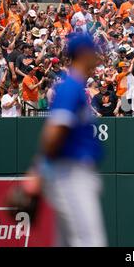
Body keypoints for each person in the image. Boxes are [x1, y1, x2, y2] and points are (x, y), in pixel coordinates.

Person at [34, 33, 107, 247]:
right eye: (93, 52)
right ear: (83, 54)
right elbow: (54, 131)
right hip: (71, 174)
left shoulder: (74, 86)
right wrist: (38, 174)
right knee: (90, 243)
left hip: (72, 173)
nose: (97, 58)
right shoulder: (70, 87)